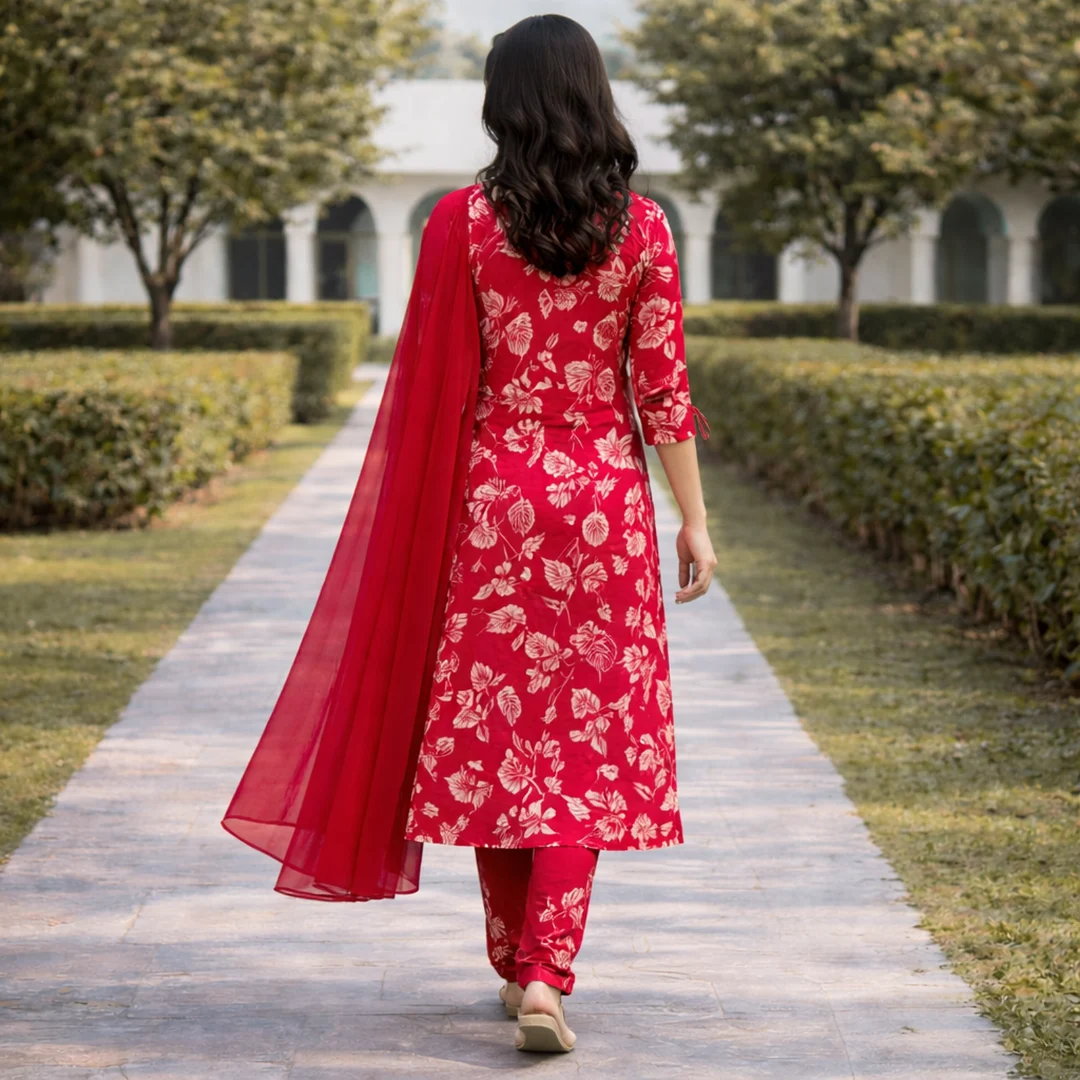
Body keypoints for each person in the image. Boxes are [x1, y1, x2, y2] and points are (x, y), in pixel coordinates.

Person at [222, 13, 716, 1057]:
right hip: (601, 511)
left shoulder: (462, 223)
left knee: (499, 730)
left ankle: (512, 963)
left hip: (491, 502)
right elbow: (662, 390)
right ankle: (545, 971)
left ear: (503, 100)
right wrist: (695, 524)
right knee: (583, 743)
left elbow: (435, 388)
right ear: (594, 93)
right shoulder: (646, 229)